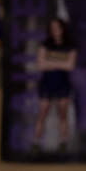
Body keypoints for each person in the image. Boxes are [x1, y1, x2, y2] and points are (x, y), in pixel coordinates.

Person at [31, 15, 78, 155]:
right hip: (47, 84)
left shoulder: (70, 46)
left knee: (63, 115)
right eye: (52, 28)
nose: (55, 30)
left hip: (63, 85)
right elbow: (40, 64)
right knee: (42, 115)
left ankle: (62, 142)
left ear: (62, 29)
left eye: (57, 28)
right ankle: (36, 142)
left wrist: (50, 63)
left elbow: (70, 66)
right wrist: (61, 63)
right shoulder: (45, 45)